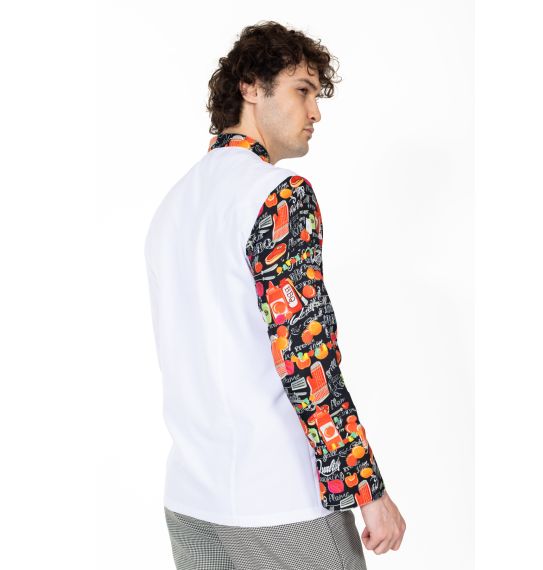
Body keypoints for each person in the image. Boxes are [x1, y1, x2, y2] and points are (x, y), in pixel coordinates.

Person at [144, 20, 406, 570]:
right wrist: (367, 489)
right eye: (302, 90)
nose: (316, 112)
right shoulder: (278, 195)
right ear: (250, 87)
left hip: (191, 498)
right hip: (280, 499)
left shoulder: (173, 205)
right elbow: (307, 355)